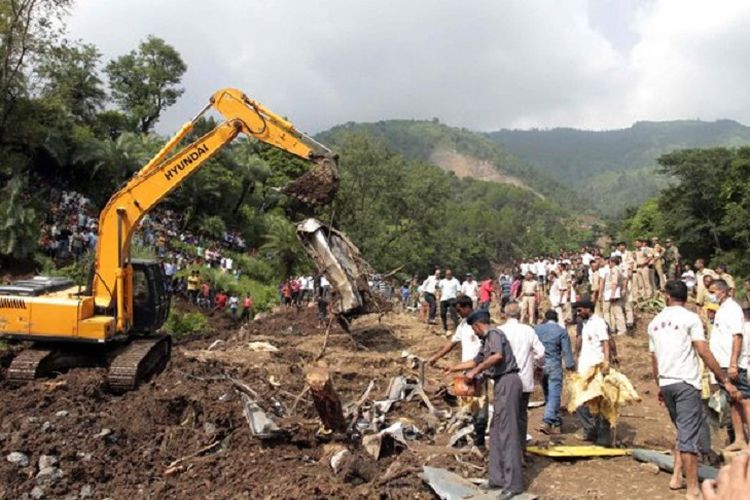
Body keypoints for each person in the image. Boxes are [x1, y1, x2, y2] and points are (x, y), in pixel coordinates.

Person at [649, 280, 741, 500]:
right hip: (686, 383)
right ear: (686, 297)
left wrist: (659, 384)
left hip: (667, 382)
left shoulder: (654, 322)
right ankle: (692, 488)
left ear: (667, 296)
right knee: (688, 437)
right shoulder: (691, 318)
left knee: (683, 431)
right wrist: (724, 379)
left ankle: (676, 477)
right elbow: (702, 350)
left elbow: (654, 358)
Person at [445, 310, 524, 498]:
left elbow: (497, 356)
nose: (475, 333)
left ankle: (513, 484)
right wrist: (453, 368)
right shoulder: (485, 341)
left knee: (508, 433)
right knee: (496, 432)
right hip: (499, 384)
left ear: (477, 326)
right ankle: (497, 479)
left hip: (508, 381)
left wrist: (476, 372)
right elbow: (475, 361)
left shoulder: (494, 334)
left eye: (474, 329)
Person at [427, 296, 487, 447]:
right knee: (464, 407)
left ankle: (478, 440)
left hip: (478, 370)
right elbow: (452, 343)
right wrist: (436, 357)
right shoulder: (463, 325)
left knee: (478, 407)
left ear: (467, 307)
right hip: (464, 370)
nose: (458, 313)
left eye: (459, 310)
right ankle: (465, 438)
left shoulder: (481, 323)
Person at [708, 279, 750, 452]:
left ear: (723, 291)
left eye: (713, 291)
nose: (711, 295)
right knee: (733, 401)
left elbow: (737, 336)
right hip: (722, 363)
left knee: (745, 400)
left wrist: (733, 363)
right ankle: (740, 438)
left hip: (732, 363)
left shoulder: (732, 309)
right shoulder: (721, 310)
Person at [500, 302, 545, 452]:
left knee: (506, 415)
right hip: (524, 379)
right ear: (520, 315)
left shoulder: (500, 331)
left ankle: (508, 449)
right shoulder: (528, 331)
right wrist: (538, 366)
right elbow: (541, 353)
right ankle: (521, 450)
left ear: (505, 314)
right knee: (521, 415)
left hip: (505, 380)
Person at [573, 298, 612, 445]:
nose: (578, 313)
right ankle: (590, 429)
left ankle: (603, 437)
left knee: (600, 402)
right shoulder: (584, 324)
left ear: (588, 309)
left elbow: (605, 342)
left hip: (596, 367)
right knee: (581, 401)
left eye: (580, 309)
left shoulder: (599, 323)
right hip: (584, 368)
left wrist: (606, 362)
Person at [534, 309, 575, 434]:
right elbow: (566, 352)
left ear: (545, 318)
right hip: (554, 364)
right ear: (557, 319)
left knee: (547, 392)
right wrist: (570, 366)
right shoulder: (561, 331)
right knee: (554, 393)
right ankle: (548, 421)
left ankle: (555, 418)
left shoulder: (537, 329)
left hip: (540, 365)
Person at [602, 256, 627, 336]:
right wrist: (623, 289)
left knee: (617, 312)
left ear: (612, 262)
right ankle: (621, 329)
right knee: (617, 311)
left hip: (614, 292)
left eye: (609, 262)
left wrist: (612, 294)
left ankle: (622, 330)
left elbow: (614, 282)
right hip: (618, 291)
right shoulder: (619, 269)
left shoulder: (614, 269)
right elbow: (624, 279)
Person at [438, 269, 461, 334]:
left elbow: (459, 289)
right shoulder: (442, 281)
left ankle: (457, 327)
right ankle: (444, 327)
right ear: (445, 275)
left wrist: (458, 294)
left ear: (451, 274)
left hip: (452, 298)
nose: (448, 275)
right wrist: (438, 294)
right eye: (447, 274)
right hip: (444, 298)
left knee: (453, 312)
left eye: (449, 274)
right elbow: (438, 288)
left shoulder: (455, 281)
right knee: (442, 313)